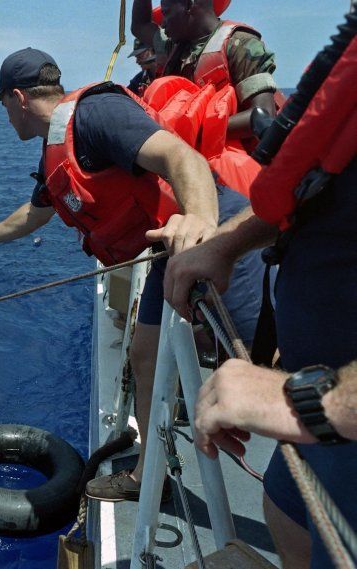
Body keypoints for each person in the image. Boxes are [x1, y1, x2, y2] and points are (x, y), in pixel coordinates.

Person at [0, 47, 265, 502]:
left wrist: (202, 223)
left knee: (259, 365)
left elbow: (184, 160)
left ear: (19, 98)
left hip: (219, 235)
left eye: (4, 106)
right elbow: (36, 213)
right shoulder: (57, 146)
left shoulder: (96, 114)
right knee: (144, 355)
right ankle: (149, 477)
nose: (5, 118)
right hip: (168, 246)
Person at [162, 28, 356, 566]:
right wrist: (226, 243)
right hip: (318, 408)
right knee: (286, 510)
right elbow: (318, 184)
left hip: (333, 410)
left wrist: (316, 402)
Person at [131, 0, 278, 141]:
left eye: (166, 13)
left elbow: (264, 115)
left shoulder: (240, 45)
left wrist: (193, 130)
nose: (163, 23)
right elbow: (140, 25)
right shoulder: (174, 47)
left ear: (189, 4)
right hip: (182, 156)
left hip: (225, 158)